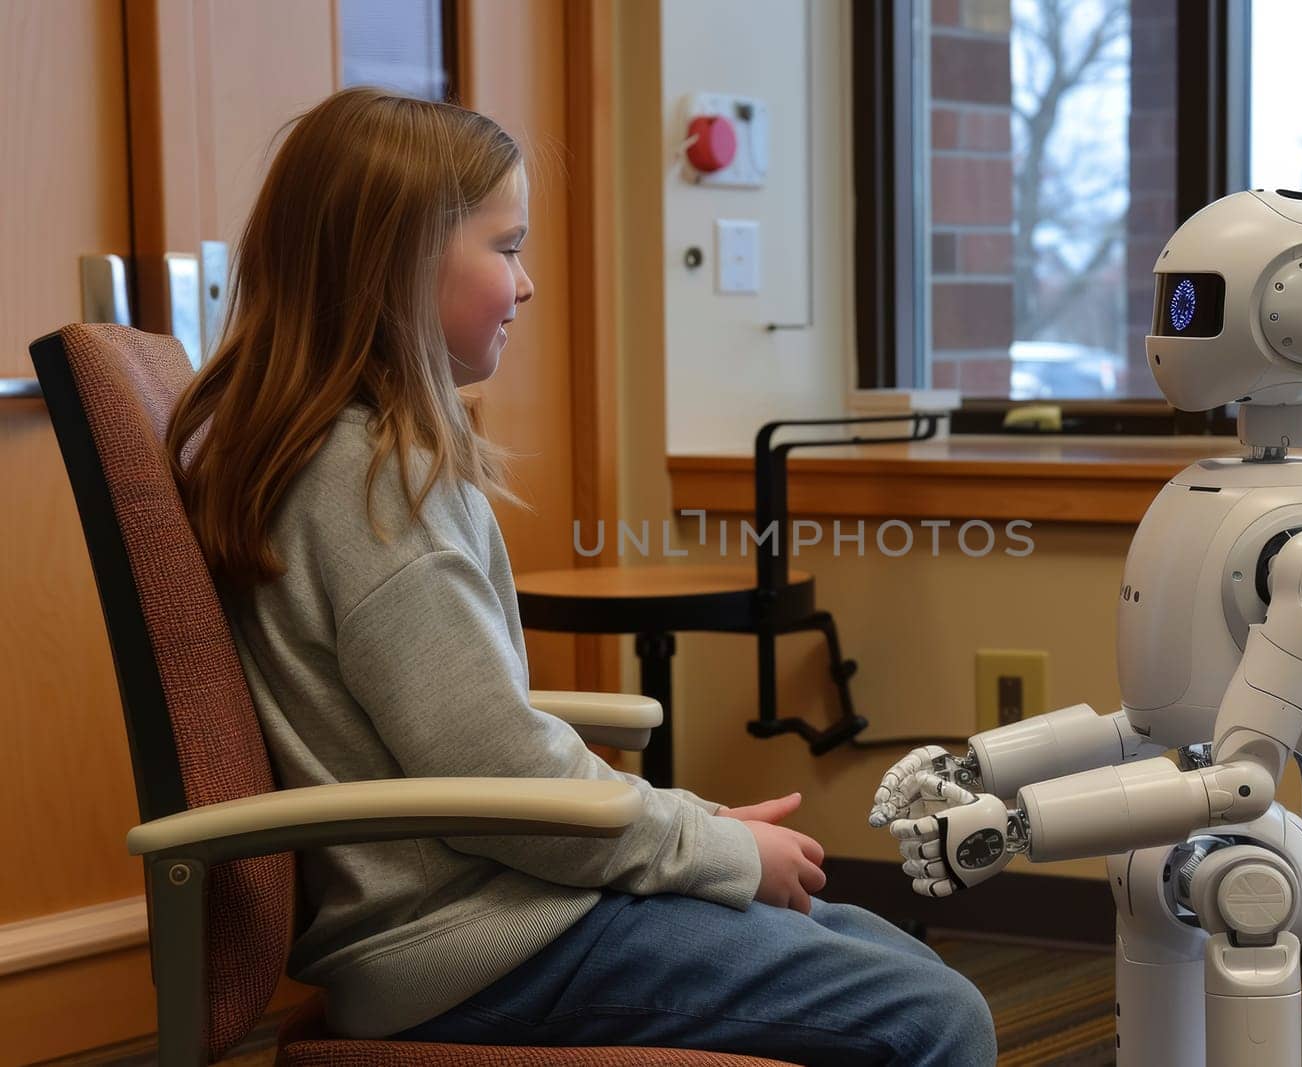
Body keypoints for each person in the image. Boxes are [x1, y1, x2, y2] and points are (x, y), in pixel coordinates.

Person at [165, 87, 996, 1066]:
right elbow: (499, 774)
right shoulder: (377, 488)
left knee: (876, 946)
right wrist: (718, 848)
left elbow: (481, 747)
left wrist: (692, 824)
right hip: (484, 950)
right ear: (400, 261)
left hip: (497, 917)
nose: (525, 286)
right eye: (506, 247)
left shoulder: (332, 462)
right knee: (934, 1016)